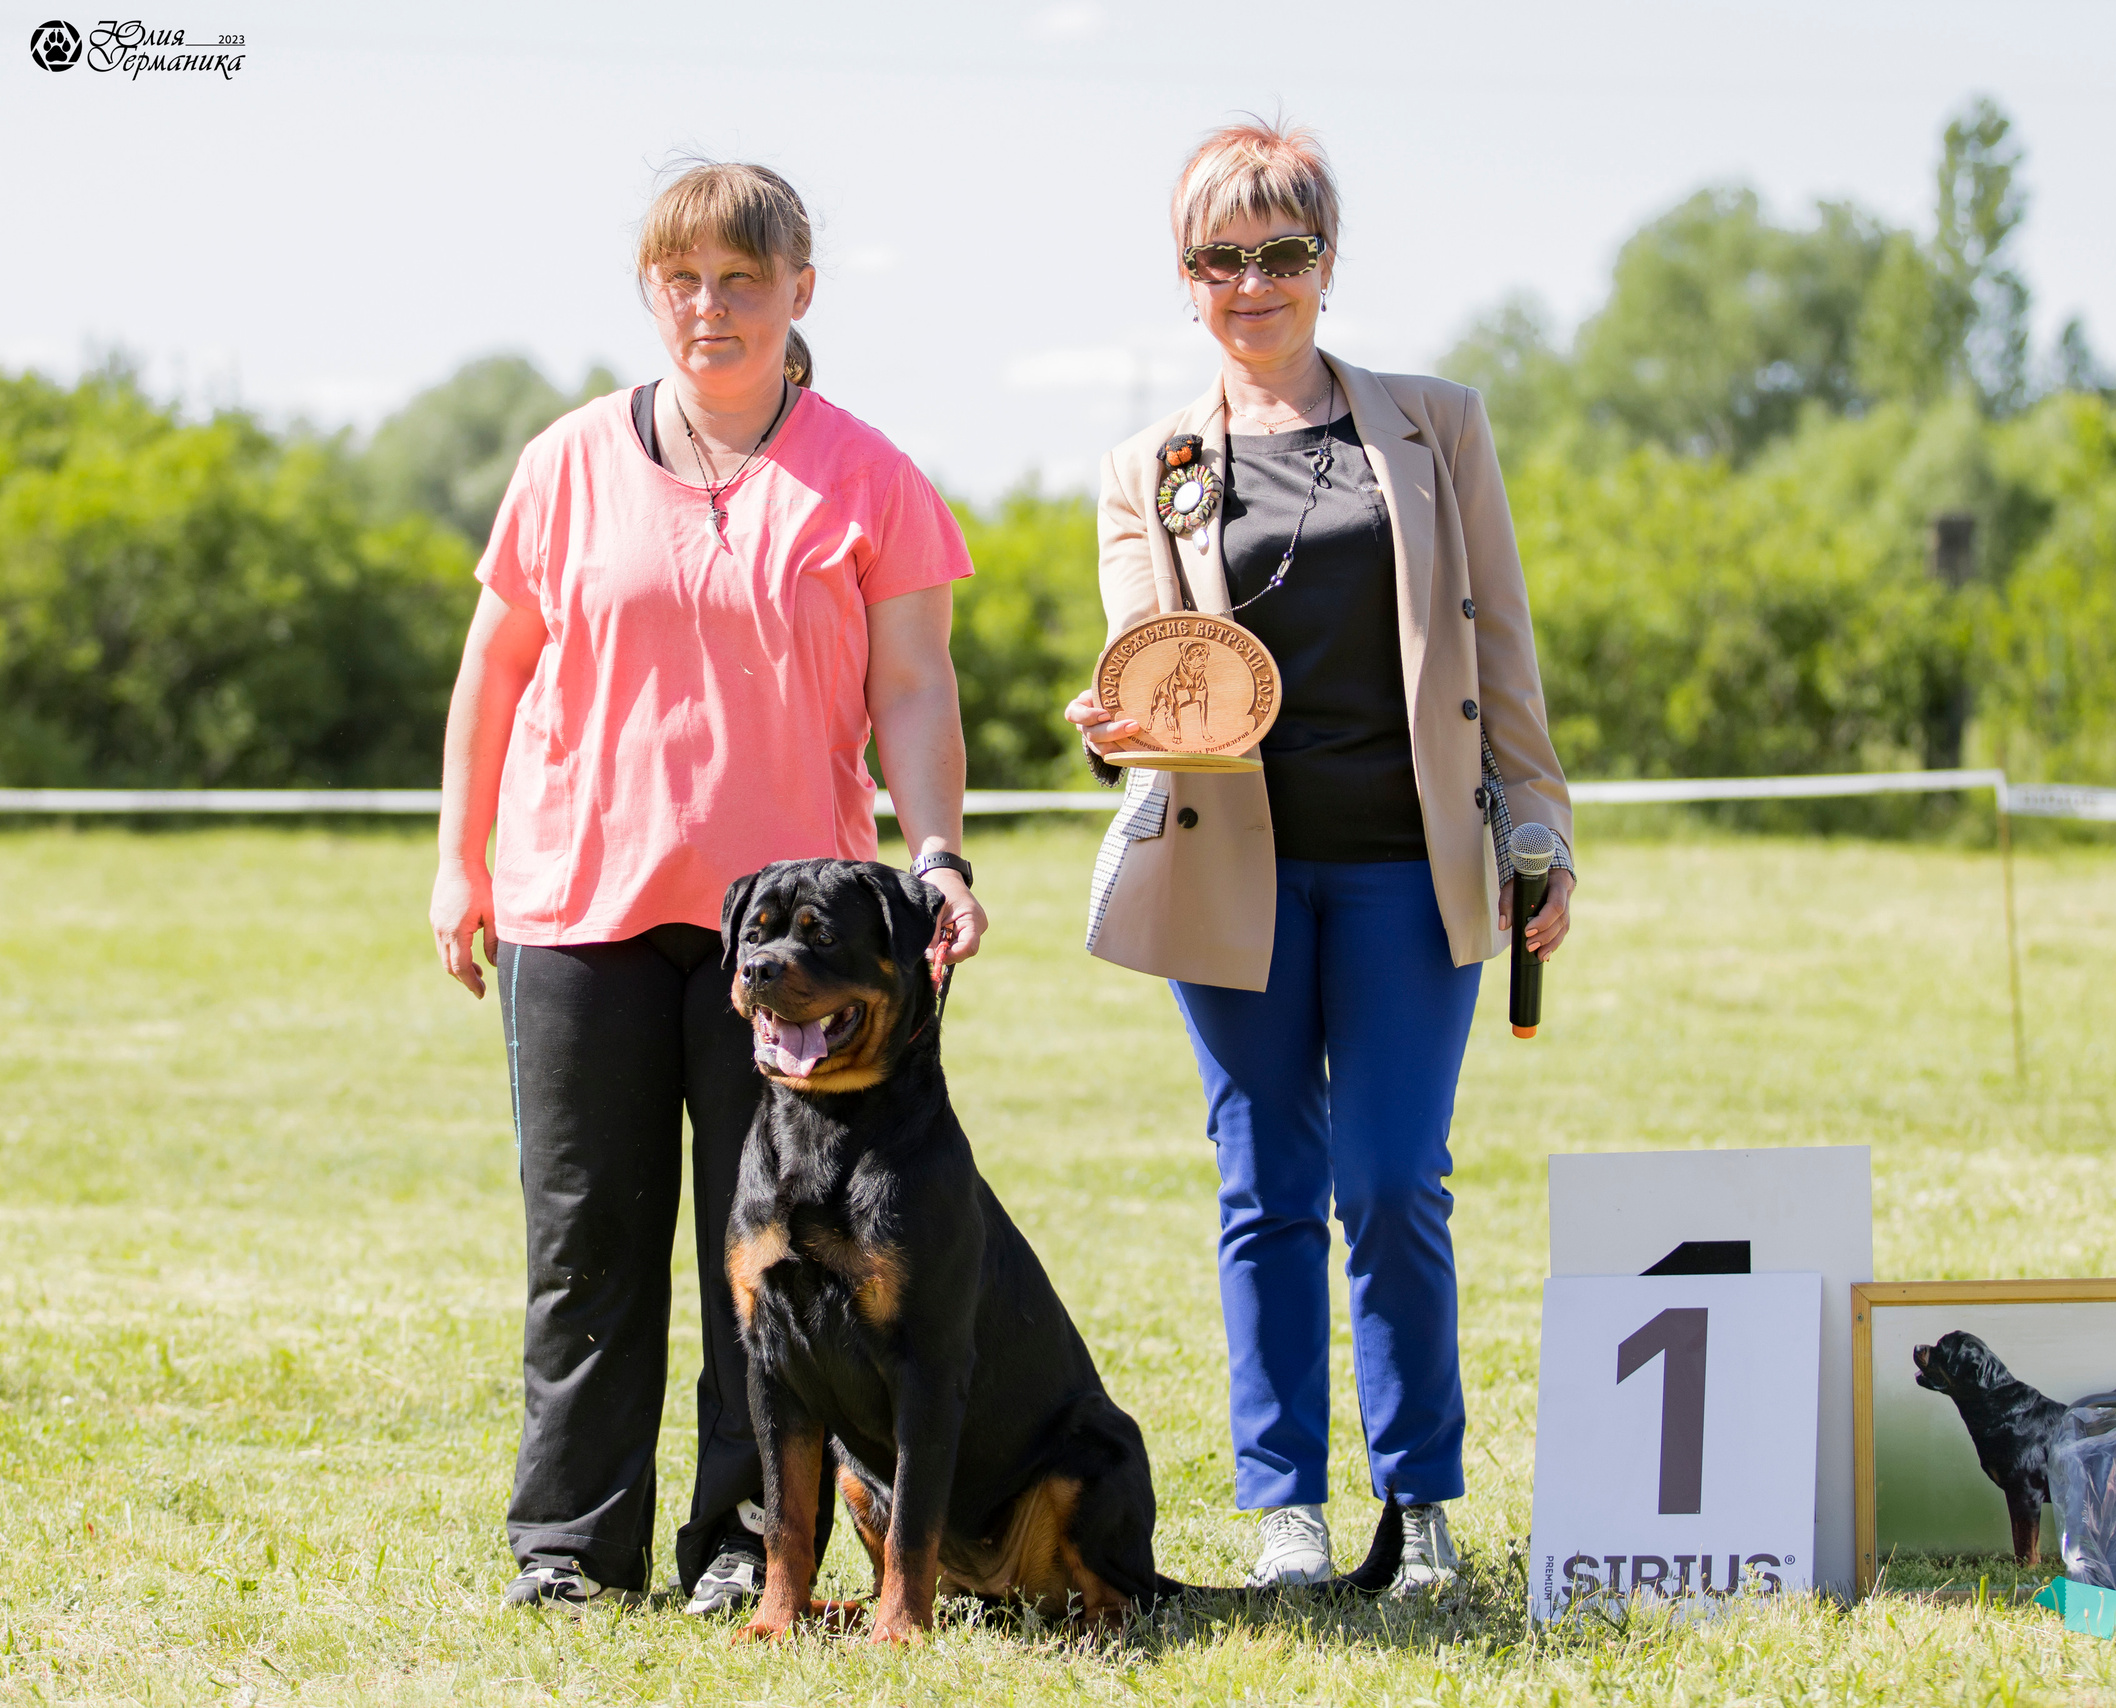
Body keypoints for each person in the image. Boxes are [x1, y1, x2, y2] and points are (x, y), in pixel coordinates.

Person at [428, 161, 986, 1613]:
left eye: (745, 278)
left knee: (779, 1275)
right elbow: (494, 668)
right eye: (684, 277)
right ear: (650, 291)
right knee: (585, 1252)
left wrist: (937, 857)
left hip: (792, 948)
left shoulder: (871, 476)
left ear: (800, 292)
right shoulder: (562, 463)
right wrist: (459, 860)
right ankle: (568, 1552)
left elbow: (917, 691)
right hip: (580, 911)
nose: (712, 305)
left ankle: (740, 1548)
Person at [1065, 121, 1575, 1594]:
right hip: (1235, 875)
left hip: (1414, 876)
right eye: (1221, 258)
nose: (1254, 281)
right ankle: (1286, 1509)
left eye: (1283, 252)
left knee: (1396, 1179)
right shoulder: (1148, 469)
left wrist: (1537, 831)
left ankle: (1418, 1507)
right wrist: (1111, 731)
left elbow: (1502, 651)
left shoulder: (1437, 425)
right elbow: (1149, 677)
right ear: (1188, 277)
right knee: (1265, 1184)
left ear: (1327, 264)